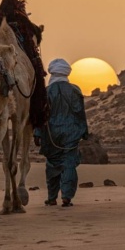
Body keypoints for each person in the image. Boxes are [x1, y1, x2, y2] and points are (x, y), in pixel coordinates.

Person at [33, 58, 89, 207]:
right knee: (69, 164)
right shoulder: (75, 90)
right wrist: (84, 132)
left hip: (51, 135)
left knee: (52, 165)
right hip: (72, 133)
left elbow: (41, 115)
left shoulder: (46, 92)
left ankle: (52, 197)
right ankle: (66, 197)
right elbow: (80, 113)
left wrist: (37, 133)